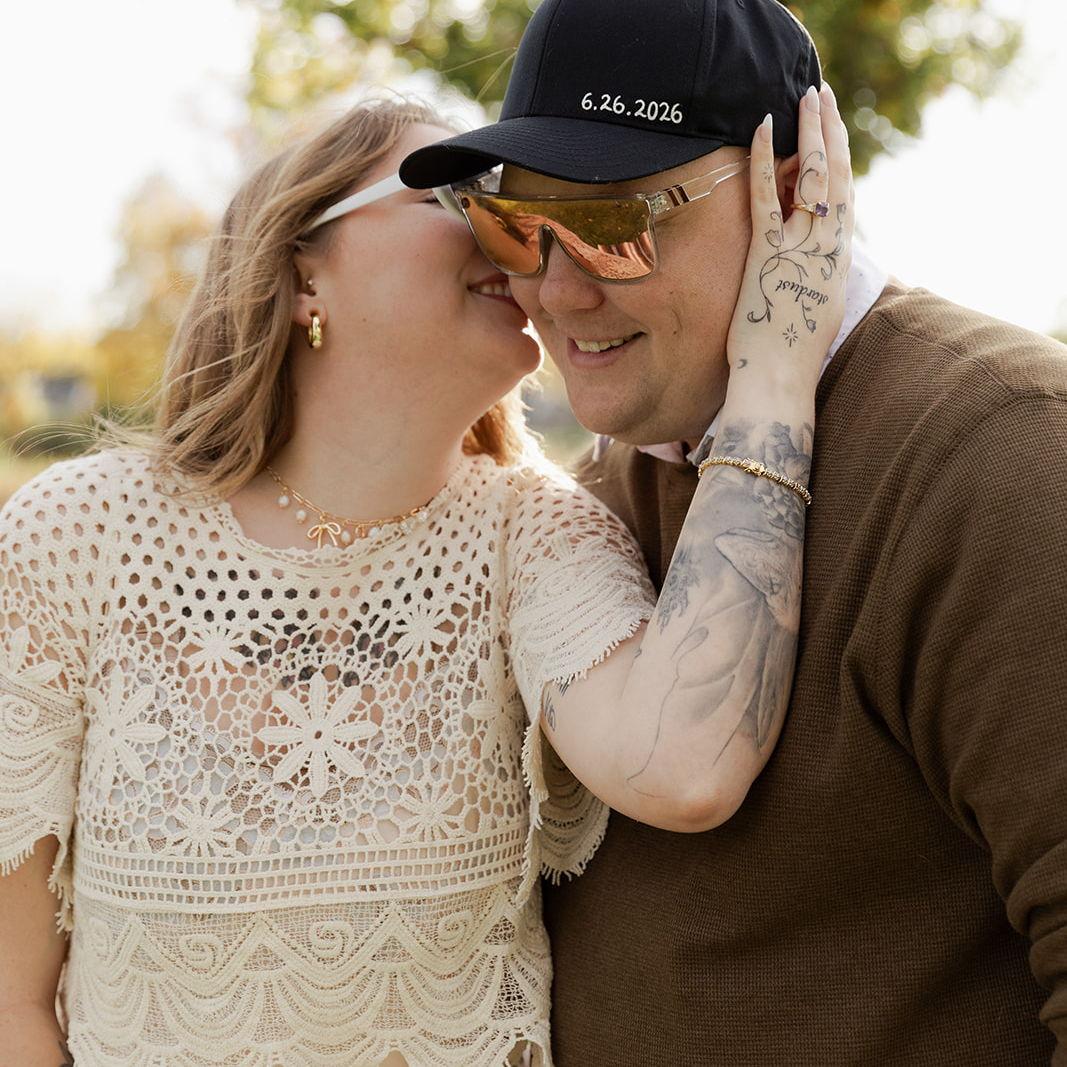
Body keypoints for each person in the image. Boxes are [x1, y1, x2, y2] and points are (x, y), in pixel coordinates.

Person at [0, 91, 849, 1064]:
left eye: (517, 204)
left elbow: (684, 769)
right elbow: (10, 1002)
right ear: (302, 269)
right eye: (456, 196)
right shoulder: (79, 537)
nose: (515, 232)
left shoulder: (536, 535)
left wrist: (773, 371)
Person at [402, 0, 1067, 1063]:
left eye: (616, 224)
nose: (556, 290)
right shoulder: (591, 498)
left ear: (793, 192)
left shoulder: (1001, 451)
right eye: (517, 224)